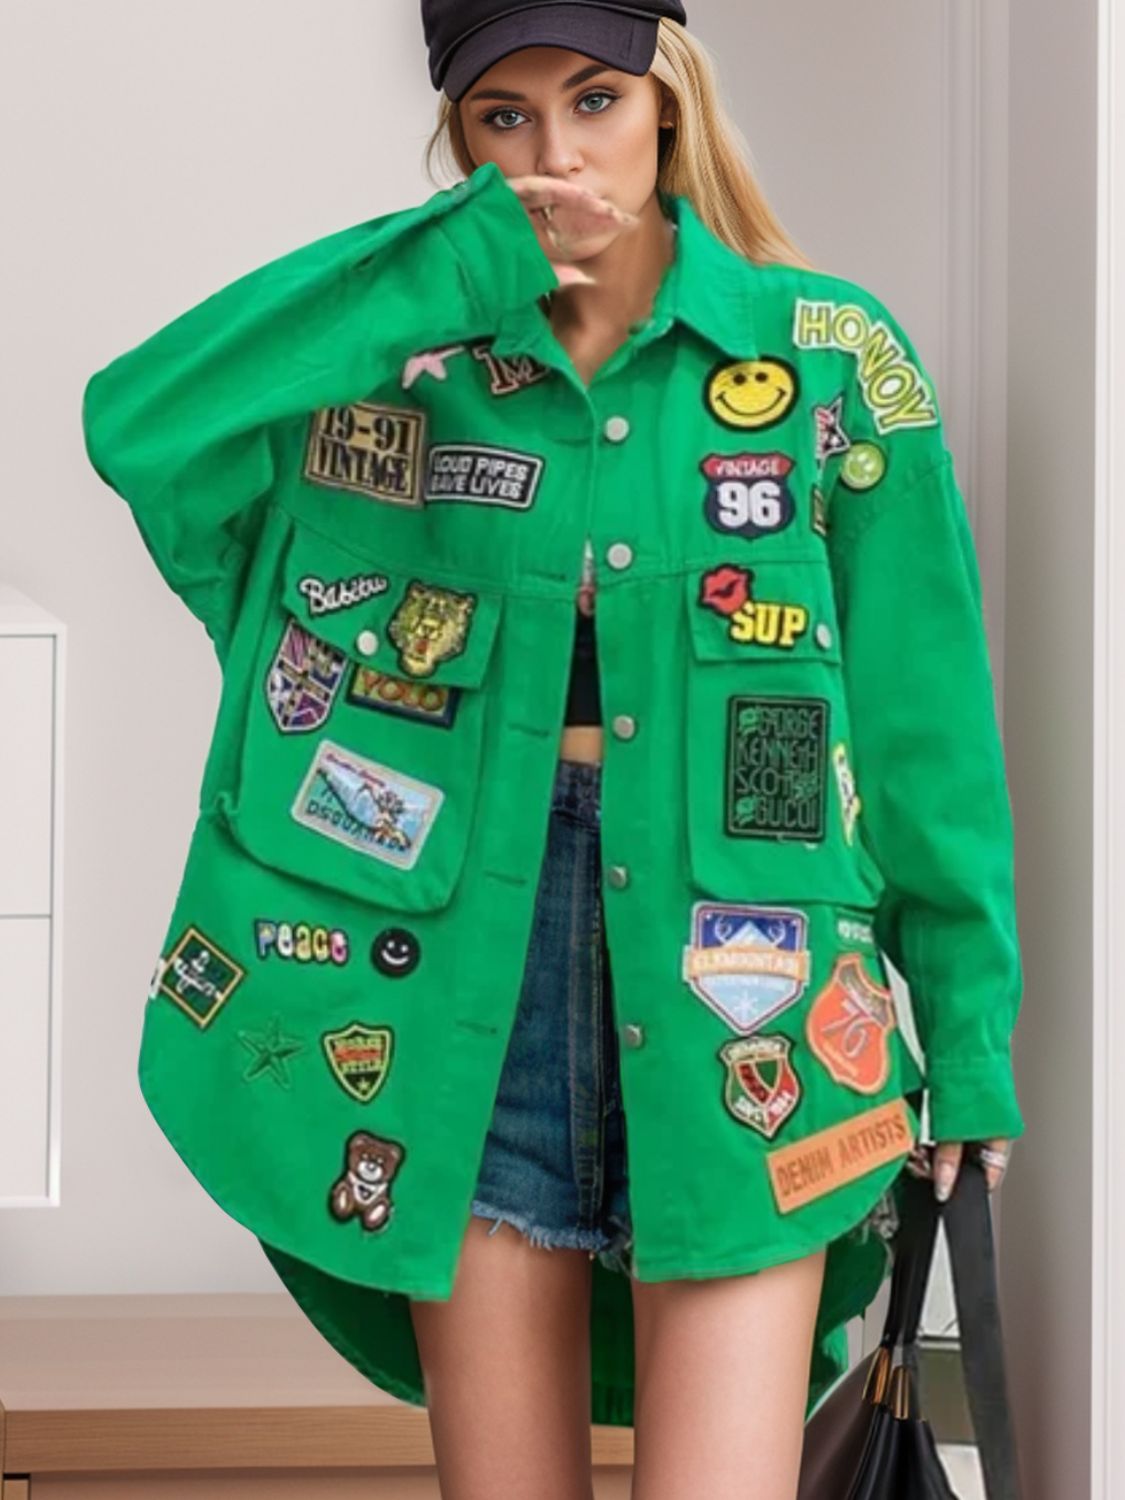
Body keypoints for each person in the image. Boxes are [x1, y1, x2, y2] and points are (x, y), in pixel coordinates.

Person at [81, 3, 1023, 1497]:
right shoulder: (400, 368)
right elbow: (141, 425)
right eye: (502, 117)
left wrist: (967, 1043)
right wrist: (443, 267)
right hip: (466, 990)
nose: (556, 155)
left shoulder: (833, 361)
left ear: (668, 101)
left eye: (594, 99)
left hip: (752, 999)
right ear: (458, 142)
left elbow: (925, 734)